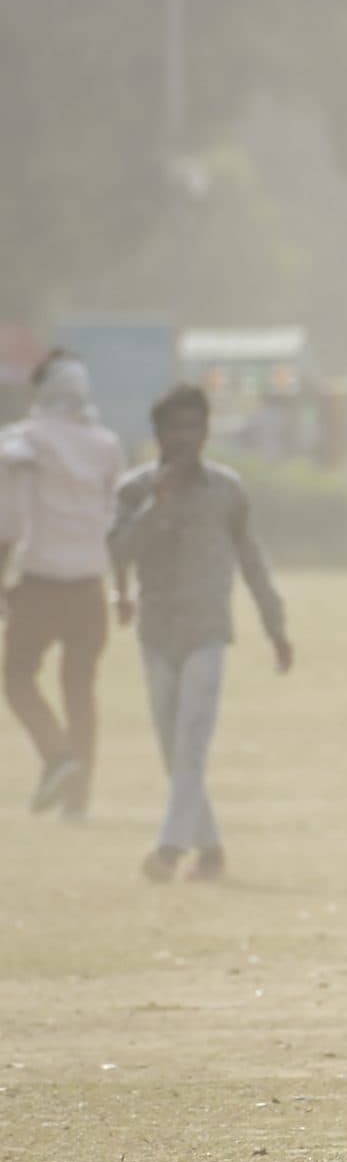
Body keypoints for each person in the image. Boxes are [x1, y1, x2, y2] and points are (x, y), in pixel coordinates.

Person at [108, 385, 293, 882]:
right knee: (173, 748)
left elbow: (251, 558)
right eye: (175, 427)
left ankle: (168, 850)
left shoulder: (227, 490)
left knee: (192, 742)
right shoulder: (134, 489)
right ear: (159, 434)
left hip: (208, 629)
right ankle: (210, 850)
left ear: (206, 431)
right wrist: (158, 502)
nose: (185, 437)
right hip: (156, 631)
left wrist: (274, 625)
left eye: (194, 426)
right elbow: (120, 551)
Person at [0, 351, 125, 818]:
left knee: (16, 679)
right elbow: (116, 512)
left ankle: (58, 757)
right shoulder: (107, 444)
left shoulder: (25, 441)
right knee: (80, 688)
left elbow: (8, 520)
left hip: (41, 583)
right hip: (90, 585)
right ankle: (78, 800)